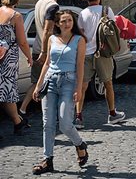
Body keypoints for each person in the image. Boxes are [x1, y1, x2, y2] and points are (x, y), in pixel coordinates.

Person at [32, 10, 88, 174]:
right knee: (47, 123)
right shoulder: (51, 39)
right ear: (57, 23)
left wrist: (78, 88)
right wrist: (38, 85)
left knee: (64, 123)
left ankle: (79, 143)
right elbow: (47, 63)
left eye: (69, 20)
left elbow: (80, 65)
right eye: (63, 21)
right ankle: (47, 159)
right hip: (50, 82)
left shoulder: (79, 40)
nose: (67, 24)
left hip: (68, 82)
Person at [75, 0, 125, 128]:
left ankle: (78, 117)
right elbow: (113, 29)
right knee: (108, 83)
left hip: (87, 53)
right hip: (102, 53)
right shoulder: (106, 10)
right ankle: (112, 113)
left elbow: (81, 34)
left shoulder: (83, 13)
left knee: (82, 86)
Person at [20, 0, 66, 116]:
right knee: (54, 83)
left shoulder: (40, 2)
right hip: (46, 50)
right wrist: (45, 52)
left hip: (37, 46)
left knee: (36, 82)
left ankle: (22, 110)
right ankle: (53, 113)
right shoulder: (53, 6)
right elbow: (48, 29)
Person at [0, 0, 33, 134]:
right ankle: (18, 122)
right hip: (9, 57)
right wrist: (29, 57)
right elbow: (22, 41)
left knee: (5, 92)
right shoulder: (16, 16)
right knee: (7, 91)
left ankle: (18, 121)